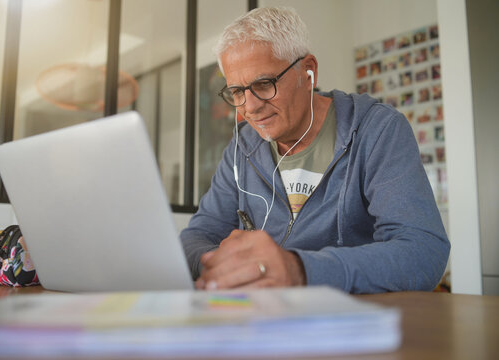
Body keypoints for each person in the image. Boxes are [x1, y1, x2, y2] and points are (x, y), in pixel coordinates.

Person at [180, 7, 450, 294]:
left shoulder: (377, 129)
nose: (250, 107)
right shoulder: (242, 145)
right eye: (237, 91)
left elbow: (423, 251)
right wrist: (220, 264)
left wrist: (299, 270)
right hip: (267, 320)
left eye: (263, 84)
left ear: (308, 72)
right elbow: (195, 237)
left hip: (356, 322)